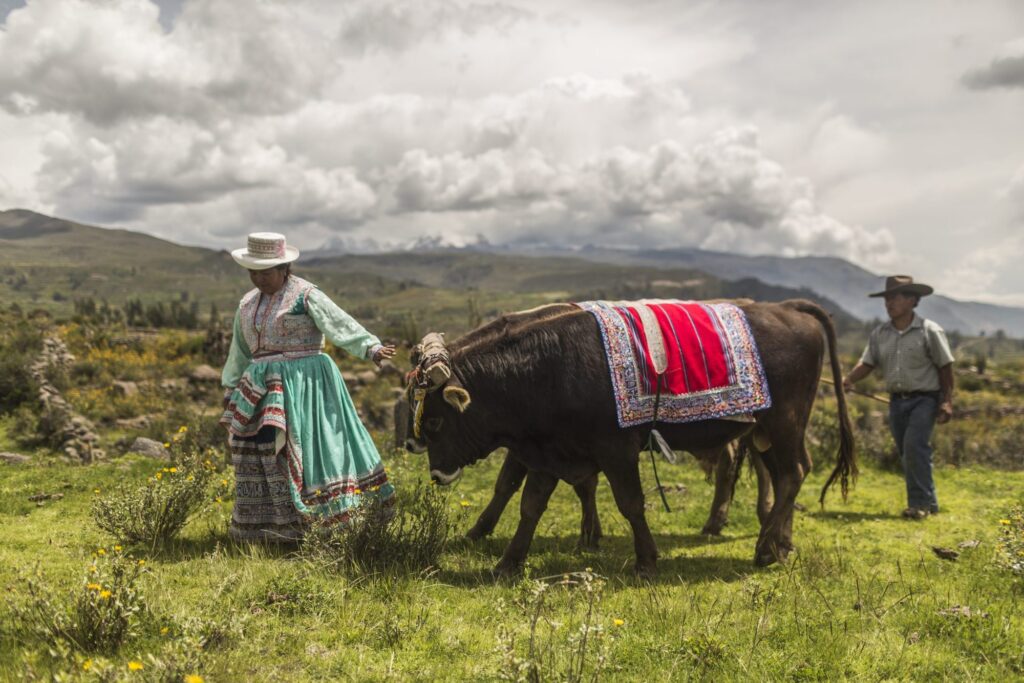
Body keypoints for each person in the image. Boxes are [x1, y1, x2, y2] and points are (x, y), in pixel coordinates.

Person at [220, 232, 396, 541]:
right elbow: (240, 350)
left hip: (307, 386)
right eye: (253, 271)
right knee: (263, 450)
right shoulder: (246, 305)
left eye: (265, 271)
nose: (258, 278)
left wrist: (371, 347)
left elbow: (338, 323)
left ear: (284, 268)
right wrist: (231, 388)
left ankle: (326, 523)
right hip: (261, 388)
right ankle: (272, 527)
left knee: (312, 450)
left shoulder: (306, 295)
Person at [843, 275, 955, 520]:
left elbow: (945, 367)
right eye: (887, 298)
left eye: (894, 297)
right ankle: (929, 502)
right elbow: (868, 363)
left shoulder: (930, 331)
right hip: (896, 401)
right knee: (908, 453)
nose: (888, 303)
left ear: (912, 300)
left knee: (914, 447)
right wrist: (849, 379)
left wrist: (946, 401)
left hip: (925, 399)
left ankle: (918, 505)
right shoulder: (880, 333)